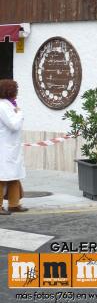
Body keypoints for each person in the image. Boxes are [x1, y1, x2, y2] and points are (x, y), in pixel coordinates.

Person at [0, 80, 28, 214]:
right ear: (10, 91)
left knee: (14, 175)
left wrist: (17, 111)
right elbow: (13, 125)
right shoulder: (2, 106)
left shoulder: (9, 105)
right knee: (2, 177)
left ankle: (14, 204)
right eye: (16, 89)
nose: (17, 92)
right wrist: (20, 113)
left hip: (11, 147)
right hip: (4, 148)